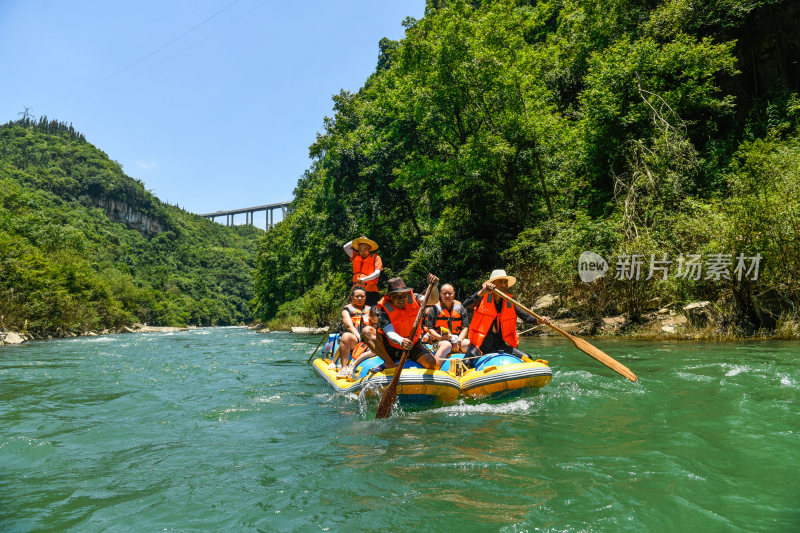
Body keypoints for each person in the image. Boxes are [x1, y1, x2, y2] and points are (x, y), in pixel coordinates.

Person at [462, 269, 549, 367]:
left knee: (527, 357)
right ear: (492, 284)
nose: (504, 285)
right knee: (466, 363)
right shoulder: (482, 297)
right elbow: (466, 305)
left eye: (505, 282)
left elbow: (526, 317)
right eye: (500, 282)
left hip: (500, 346)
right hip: (481, 346)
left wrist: (538, 320)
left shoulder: (510, 301)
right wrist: (482, 292)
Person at [361, 274, 444, 371]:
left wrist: (434, 286)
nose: (401, 299)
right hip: (391, 346)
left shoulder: (415, 298)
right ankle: (389, 362)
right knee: (367, 331)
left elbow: (433, 300)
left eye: (403, 295)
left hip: (413, 343)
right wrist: (401, 341)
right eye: (396, 296)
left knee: (433, 365)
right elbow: (389, 331)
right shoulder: (382, 308)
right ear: (389, 296)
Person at [423, 283, 471, 361]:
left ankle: (471, 365)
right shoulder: (434, 309)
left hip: (457, 340)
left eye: (450, 293)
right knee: (446, 345)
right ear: (440, 295)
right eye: (444, 293)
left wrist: (458, 341)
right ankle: (436, 366)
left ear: (454, 294)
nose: (447, 296)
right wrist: (440, 337)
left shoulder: (460, 308)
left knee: (467, 343)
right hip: (439, 341)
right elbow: (430, 328)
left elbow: (465, 327)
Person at [333, 285, 370, 378]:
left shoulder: (370, 309)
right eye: (357, 296)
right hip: (354, 339)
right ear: (352, 297)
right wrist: (359, 337)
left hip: (368, 339)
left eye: (362, 296)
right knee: (346, 336)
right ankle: (344, 368)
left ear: (365, 297)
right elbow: (349, 326)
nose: (360, 298)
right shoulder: (347, 310)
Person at [343, 236, 383, 306]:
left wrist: (364, 279)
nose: (363, 252)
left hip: (371, 292)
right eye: (360, 250)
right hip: (357, 292)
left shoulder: (376, 257)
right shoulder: (355, 256)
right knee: (355, 313)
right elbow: (345, 247)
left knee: (371, 314)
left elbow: (377, 273)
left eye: (365, 249)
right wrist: (358, 240)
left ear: (370, 248)